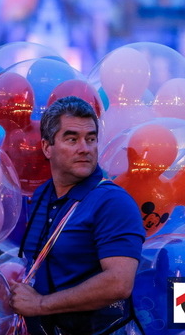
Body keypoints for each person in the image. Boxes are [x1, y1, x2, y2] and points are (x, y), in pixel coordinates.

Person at [10, 96, 146, 335]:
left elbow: (119, 283)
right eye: (72, 139)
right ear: (46, 147)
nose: (85, 148)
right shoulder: (42, 194)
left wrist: (40, 305)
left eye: (91, 139)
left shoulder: (112, 201)